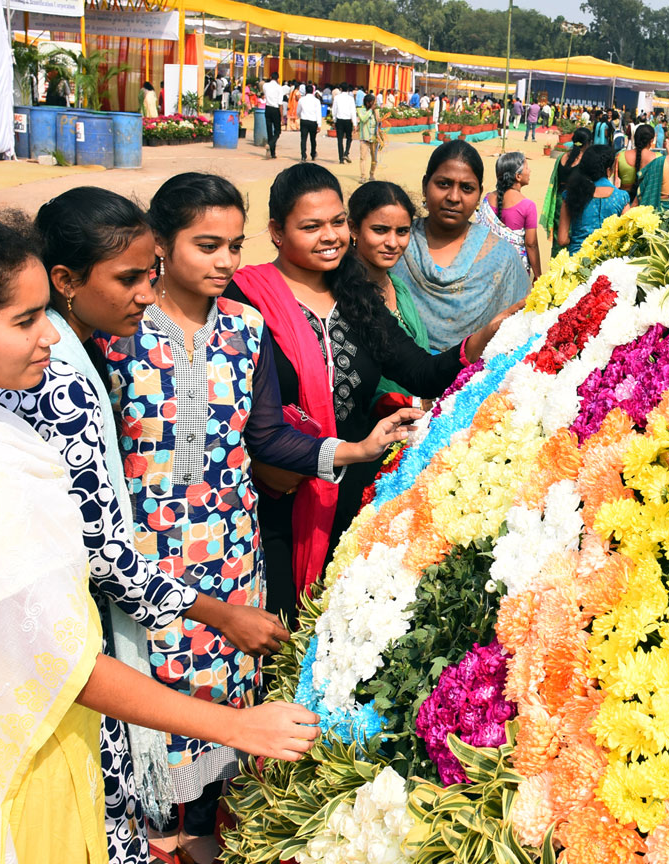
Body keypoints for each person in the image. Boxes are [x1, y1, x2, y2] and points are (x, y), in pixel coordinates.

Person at [0, 212, 322, 864]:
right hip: (22, 760)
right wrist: (235, 724)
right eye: (25, 320)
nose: (49, 338)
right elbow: (63, 663)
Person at [103, 174, 413, 864]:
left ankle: (205, 823)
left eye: (233, 246)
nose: (223, 261)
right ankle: (149, 835)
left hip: (230, 543)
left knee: (224, 690)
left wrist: (355, 453)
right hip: (146, 552)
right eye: (206, 245)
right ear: (161, 245)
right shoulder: (118, 333)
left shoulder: (245, 327)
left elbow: (268, 433)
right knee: (150, 688)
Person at [226, 164, 512, 616]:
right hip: (274, 498)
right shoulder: (241, 297)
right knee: (278, 619)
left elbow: (421, 370)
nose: (331, 235)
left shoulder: (356, 295)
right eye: (311, 226)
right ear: (277, 232)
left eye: (337, 221)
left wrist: (483, 337)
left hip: (352, 490)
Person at [394, 140, 530, 353]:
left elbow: (518, 329)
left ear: (479, 195)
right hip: (395, 377)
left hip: (472, 381)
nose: (453, 197)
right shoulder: (396, 244)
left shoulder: (501, 257)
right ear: (424, 186)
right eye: (443, 184)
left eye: (466, 188)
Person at [347, 181, 430, 415]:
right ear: (353, 228)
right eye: (380, 230)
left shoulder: (398, 287)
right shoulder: (345, 295)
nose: (393, 243)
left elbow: (418, 357)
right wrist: (415, 404)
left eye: (402, 231)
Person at [479, 151, 541, 279]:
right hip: (514, 272)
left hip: (487, 269)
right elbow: (531, 244)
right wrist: (538, 275)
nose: (530, 171)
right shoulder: (528, 206)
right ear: (518, 176)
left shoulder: (487, 199)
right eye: (527, 168)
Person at [557, 144, 630, 254]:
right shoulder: (621, 197)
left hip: (577, 262)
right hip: (608, 262)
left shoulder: (571, 194)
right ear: (608, 170)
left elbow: (562, 240)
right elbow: (628, 234)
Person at [540, 128, 592, 257]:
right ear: (587, 143)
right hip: (576, 200)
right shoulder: (584, 161)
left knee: (559, 234)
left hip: (559, 200)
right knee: (573, 234)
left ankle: (556, 263)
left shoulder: (562, 157)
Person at [619, 123, 655, 197]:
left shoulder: (620, 156)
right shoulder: (658, 158)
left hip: (624, 198)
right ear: (652, 140)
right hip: (647, 200)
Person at [357, 92, 381, 183]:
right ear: (368, 103)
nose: (375, 104)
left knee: (374, 158)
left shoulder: (376, 111)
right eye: (373, 102)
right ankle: (363, 176)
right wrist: (370, 110)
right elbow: (363, 119)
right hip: (364, 138)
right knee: (363, 157)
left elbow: (378, 122)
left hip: (374, 138)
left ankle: (372, 174)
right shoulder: (361, 110)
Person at [332, 81, 356, 164]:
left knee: (340, 139)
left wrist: (334, 120)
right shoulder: (351, 98)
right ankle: (346, 153)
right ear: (348, 89)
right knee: (349, 138)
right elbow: (353, 111)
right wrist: (355, 123)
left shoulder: (337, 98)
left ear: (340, 89)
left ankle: (341, 158)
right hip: (348, 120)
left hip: (339, 120)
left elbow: (334, 110)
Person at [297, 86, 321, 162]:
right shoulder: (316, 101)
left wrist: (300, 116)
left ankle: (303, 155)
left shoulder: (301, 100)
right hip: (313, 121)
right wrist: (319, 124)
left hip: (304, 120)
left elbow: (298, 111)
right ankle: (313, 153)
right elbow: (318, 113)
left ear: (305, 91)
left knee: (303, 139)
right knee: (313, 139)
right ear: (313, 91)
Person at [262, 72, 283, 158]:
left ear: (270, 77)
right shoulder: (279, 88)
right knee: (277, 131)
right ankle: (270, 145)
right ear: (278, 79)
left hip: (267, 108)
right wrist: (281, 116)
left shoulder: (265, 86)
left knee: (269, 131)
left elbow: (264, 93)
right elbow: (280, 103)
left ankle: (272, 152)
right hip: (275, 109)